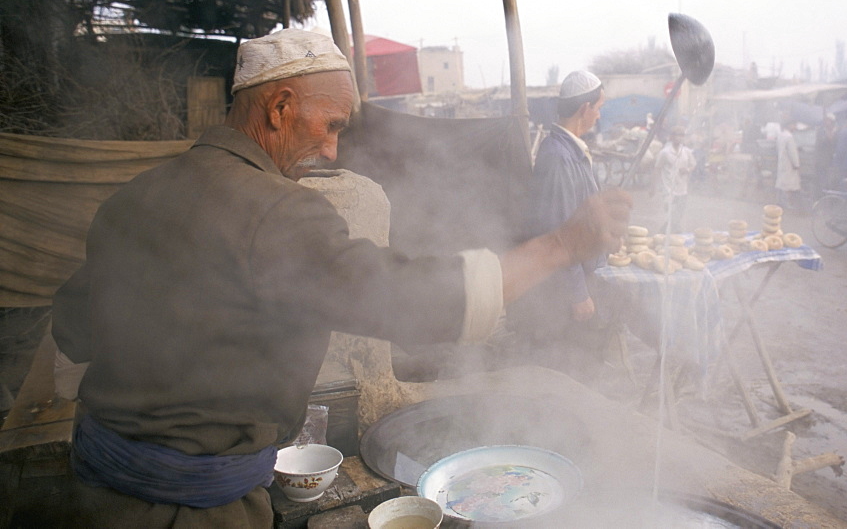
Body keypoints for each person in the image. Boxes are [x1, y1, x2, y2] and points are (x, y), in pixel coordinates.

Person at [50, 30, 631, 527]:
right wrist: (559, 246)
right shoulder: (276, 210)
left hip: (96, 490)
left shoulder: (134, 197)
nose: (331, 151)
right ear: (278, 107)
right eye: (329, 126)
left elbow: (74, 327)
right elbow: (402, 300)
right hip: (188, 511)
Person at [506, 70, 607, 369]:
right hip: (559, 293)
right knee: (559, 365)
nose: (599, 117)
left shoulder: (570, 151)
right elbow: (557, 233)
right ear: (584, 109)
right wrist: (578, 294)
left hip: (576, 280)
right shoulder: (558, 159)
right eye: (598, 109)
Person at [651, 125, 698, 233]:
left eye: (682, 135)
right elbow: (657, 169)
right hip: (668, 189)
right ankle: (671, 232)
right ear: (672, 137)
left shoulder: (686, 152)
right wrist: (653, 187)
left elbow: (693, 165)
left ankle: (666, 232)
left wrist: (687, 170)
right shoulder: (665, 152)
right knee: (671, 212)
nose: (680, 137)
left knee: (679, 213)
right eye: (677, 135)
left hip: (682, 188)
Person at [775, 117, 802, 211]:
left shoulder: (781, 135)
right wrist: (796, 164)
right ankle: (787, 204)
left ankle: (780, 202)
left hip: (782, 162)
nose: (795, 127)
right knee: (789, 185)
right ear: (790, 125)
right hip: (789, 164)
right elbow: (792, 153)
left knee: (782, 182)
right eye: (794, 125)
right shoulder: (789, 137)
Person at [813, 113, 837, 196]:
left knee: (828, 180)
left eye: (829, 121)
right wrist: (828, 137)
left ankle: (827, 196)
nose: (827, 123)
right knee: (821, 180)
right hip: (821, 161)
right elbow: (820, 143)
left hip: (830, 161)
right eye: (826, 120)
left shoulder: (835, 131)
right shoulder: (821, 131)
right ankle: (820, 196)